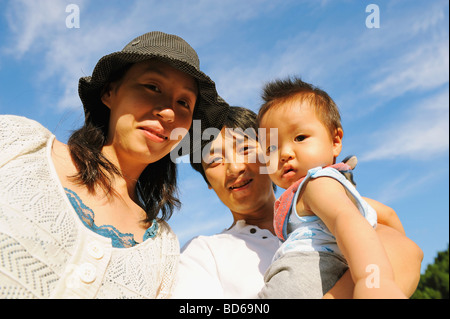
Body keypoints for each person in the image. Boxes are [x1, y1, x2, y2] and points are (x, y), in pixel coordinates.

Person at [0, 31, 229, 299]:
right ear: (109, 92)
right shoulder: (19, 143)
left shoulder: (162, 248)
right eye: (152, 87)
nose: (168, 112)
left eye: (183, 103)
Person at [172, 106, 422, 299]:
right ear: (206, 179)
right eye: (214, 161)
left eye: (246, 149)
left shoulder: (328, 205)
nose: (235, 168)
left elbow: (404, 248)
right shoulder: (203, 252)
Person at [257, 77, 407, 298]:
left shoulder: (316, 183)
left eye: (300, 137)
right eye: (271, 147)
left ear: (335, 140)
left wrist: (374, 279)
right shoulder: (319, 189)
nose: (284, 154)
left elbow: (344, 219)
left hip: (301, 279)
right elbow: (389, 215)